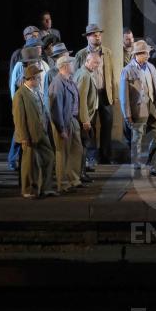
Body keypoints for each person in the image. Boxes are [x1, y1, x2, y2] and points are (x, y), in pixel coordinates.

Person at [120, 41, 156, 178]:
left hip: (153, 105)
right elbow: (124, 96)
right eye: (145, 53)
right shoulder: (127, 70)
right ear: (137, 54)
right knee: (137, 137)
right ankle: (136, 167)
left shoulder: (151, 67)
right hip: (139, 107)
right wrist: (127, 114)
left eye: (148, 53)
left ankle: (155, 164)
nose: (148, 55)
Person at [73, 23, 117, 165]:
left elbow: (111, 74)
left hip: (104, 93)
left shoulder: (107, 53)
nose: (98, 36)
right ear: (87, 37)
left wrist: (114, 94)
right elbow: (76, 75)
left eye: (99, 34)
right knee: (90, 124)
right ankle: (91, 157)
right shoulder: (81, 54)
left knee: (107, 125)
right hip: (89, 93)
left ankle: (105, 156)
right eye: (94, 34)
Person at [13, 64, 56, 199]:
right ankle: (28, 189)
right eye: (38, 78)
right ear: (31, 79)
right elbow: (19, 118)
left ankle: (45, 188)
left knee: (49, 157)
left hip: (41, 132)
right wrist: (24, 137)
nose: (40, 80)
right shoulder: (20, 95)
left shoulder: (36, 91)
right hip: (30, 135)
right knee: (29, 164)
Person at [8, 44, 49, 172]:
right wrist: (14, 101)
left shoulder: (41, 66)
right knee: (21, 134)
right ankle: (13, 160)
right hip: (25, 106)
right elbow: (13, 86)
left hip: (38, 103)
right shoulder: (21, 71)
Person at [48, 55, 84, 192]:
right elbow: (55, 109)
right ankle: (63, 183)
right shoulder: (57, 83)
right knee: (63, 153)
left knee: (76, 150)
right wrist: (61, 128)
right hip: (63, 122)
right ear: (65, 66)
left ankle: (73, 179)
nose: (74, 66)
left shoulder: (70, 81)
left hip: (73, 120)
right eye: (72, 63)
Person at [73, 51, 99, 182]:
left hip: (86, 116)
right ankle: (80, 173)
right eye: (95, 63)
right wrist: (85, 120)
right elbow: (81, 99)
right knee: (83, 145)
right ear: (87, 61)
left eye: (98, 63)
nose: (97, 65)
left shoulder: (85, 73)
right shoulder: (84, 75)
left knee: (84, 145)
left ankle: (81, 172)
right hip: (83, 118)